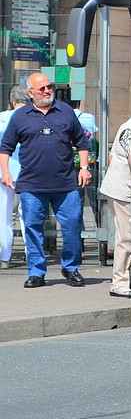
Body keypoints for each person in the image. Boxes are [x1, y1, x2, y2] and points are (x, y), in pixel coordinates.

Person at [0, 73, 92, 288]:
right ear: (31, 93)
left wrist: (85, 168)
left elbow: (82, 142)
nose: (46, 91)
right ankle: (36, 272)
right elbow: (5, 147)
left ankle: (70, 268)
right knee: (32, 227)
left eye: (49, 87)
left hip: (65, 182)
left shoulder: (65, 111)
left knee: (71, 226)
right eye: (41, 89)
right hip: (32, 184)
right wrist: (5, 172)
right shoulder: (21, 116)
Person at [99, 118, 131, 298]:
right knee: (126, 236)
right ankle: (119, 281)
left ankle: (129, 279)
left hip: (128, 189)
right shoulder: (130, 128)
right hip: (122, 190)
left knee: (130, 236)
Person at [0, 85, 29, 268]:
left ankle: (5, 256)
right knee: (27, 215)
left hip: (4, 171)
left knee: (4, 215)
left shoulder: (2, 118)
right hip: (28, 171)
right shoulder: (32, 118)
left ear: (12, 101)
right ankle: (30, 253)